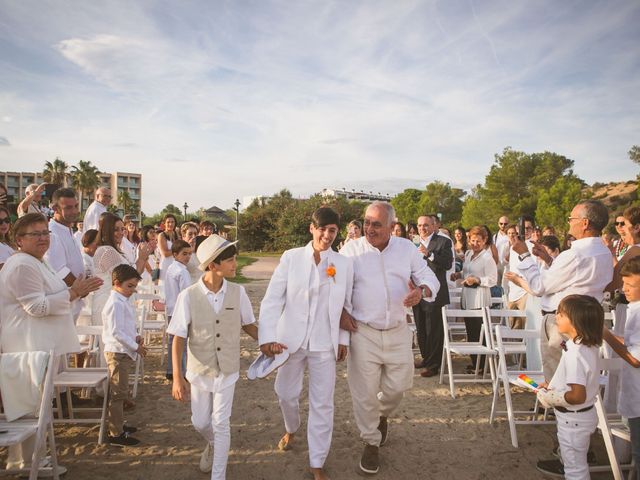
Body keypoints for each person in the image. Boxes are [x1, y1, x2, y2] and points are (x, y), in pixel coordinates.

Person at [339, 201, 439, 475]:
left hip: (397, 331)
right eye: (366, 222)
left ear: (392, 227)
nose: (369, 229)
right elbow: (333, 285)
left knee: (398, 387)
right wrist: (340, 315)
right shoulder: (351, 251)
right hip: (363, 332)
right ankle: (370, 443)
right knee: (364, 393)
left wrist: (422, 291)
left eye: (376, 224)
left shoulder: (405, 249)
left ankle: (382, 415)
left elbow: (429, 277)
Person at [0, 213, 101, 474]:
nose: (44, 238)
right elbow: (37, 306)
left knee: (37, 410)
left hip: (40, 345)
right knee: (29, 409)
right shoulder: (22, 264)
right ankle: (28, 464)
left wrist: (76, 289)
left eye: (46, 233)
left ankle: (36, 461)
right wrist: (74, 292)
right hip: (27, 345)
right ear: (19, 239)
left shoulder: (37, 262)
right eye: (36, 234)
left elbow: (52, 295)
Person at [258, 207, 353, 480]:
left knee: (323, 403)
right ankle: (291, 427)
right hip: (290, 342)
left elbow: (345, 306)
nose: (327, 235)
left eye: (332, 230)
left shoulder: (343, 264)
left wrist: (343, 339)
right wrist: (268, 337)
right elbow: (273, 299)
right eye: (322, 229)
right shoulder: (291, 258)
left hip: (325, 343)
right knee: (285, 393)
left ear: (337, 233)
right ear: (312, 228)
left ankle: (317, 462)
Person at [168, 235, 258, 480]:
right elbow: (178, 338)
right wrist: (177, 377)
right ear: (212, 265)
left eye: (235, 259)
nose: (235, 264)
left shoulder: (239, 293)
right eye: (230, 260)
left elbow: (249, 325)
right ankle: (214, 445)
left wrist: (268, 343)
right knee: (200, 422)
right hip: (199, 371)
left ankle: (218, 476)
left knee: (221, 423)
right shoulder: (188, 296)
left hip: (228, 370)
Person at [511, 200, 613, 381]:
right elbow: (574, 280)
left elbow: (539, 286)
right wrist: (549, 261)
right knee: (579, 376)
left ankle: (558, 409)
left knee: (559, 378)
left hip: (562, 322)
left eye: (571, 218)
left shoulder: (574, 254)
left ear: (585, 223)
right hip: (587, 320)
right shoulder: (604, 253)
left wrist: (524, 255)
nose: (569, 222)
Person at [535, 295, 603, 480]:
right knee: (577, 464)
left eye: (561, 314)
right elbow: (581, 380)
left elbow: (577, 395)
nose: (556, 316)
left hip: (573, 420)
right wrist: (553, 385)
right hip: (584, 417)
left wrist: (549, 398)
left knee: (575, 469)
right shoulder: (588, 346)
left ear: (576, 322)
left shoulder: (575, 353)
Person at [102, 264, 147, 446]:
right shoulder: (114, 303)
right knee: (118, 394)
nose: (133, 290)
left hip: (123, 351)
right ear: (116, 283)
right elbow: (115, 332)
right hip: (117, 353)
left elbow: (125, 327)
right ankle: (115, 433)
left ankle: (119, 425)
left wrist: (135, 337)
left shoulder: (121, 300)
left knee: (121, 392)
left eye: (134, 286)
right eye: (130, 286)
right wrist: (135, 347)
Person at [604, 257, 640, 479]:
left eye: (632, 286)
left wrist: (606, 336)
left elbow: (635, 358)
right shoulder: (634, 308)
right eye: (624, 284)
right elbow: (630, 342)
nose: (625, 290)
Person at [451, 226, 497, 373]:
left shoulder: (487, 257)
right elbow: (467, 271)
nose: (475, 244)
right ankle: (475, 362)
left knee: (480, 332)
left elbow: (493, 279)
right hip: (467, 297)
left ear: (484, 241)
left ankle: (483, 365)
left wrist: (477, 279)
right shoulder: (469, 253)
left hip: (479, 298)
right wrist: (459, 275)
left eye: (478, 241)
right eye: (472, 240)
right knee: (470, 332)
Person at [92, 213, 151, 326]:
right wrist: (142, 258)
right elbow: (128, 278)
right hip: (108, 305)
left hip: (119, 304)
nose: (120, 233)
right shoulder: (107, 251)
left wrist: (143, 258)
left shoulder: (116, 251)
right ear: (106, 231)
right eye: (116, 230)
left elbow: (135, 274)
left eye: (122, 229)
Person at [413, 215, 453, 377]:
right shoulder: (412, 244)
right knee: (421, 327)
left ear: (433, 226)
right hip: (417, 291)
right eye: (420, 225)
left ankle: (434, 364)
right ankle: (425, 358)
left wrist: (429, 254)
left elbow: (447, 264)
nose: (422, 228)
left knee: (434, 330)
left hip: (435, 293)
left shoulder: (444, 242)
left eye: (426, 225)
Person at [43, 188, 85, 320]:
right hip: (64, 302)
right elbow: (59, 269)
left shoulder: (66, 229)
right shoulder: (53, 232)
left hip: (73, 301)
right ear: (55, 208)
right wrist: (80, 289)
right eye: (68, 208)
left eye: (76, 206)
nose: (74, 211)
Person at [164, 239, 193, 380]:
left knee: (172, 340)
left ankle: (171, 369)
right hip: (180, 310)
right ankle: (181, 371)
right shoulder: (182, 272)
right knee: (181, 341)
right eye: (184, 254)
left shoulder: (171, 268)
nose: (187, 257)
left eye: (189, 254)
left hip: (171, 308)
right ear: (175, 254)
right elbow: (187, 293)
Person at [606, 206, 640, 298]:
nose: (622, 229)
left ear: (636, 228)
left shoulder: (636, 250)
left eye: (625, 225)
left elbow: (612, 283)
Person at [158, 214, 179, 283]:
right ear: (164, 224)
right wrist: (178, 249)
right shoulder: (161, 235)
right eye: (168, 222)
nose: (170, 224)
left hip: (175, 264)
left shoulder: (176, 235)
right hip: (166, 265)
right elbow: (165, 253)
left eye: (172, 222)